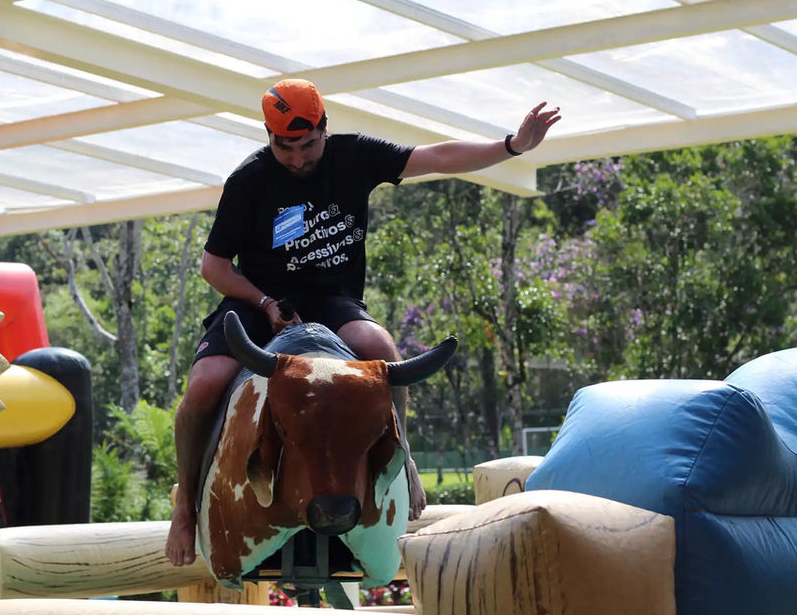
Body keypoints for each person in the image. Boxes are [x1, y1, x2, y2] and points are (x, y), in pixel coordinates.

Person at [165, 78, 561, 566]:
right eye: (282, 146)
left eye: (306, 144)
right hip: (256, 298)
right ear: (269, 136)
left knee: (381, 347)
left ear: (324, 129)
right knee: (204, 384)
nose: (295, 157)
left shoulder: (354, 157)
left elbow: (436, 158)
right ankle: (185, 504)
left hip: (331, 299)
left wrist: (512, 146)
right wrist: (265, 301)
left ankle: (404, 459)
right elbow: (215, 267)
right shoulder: (248, 180)